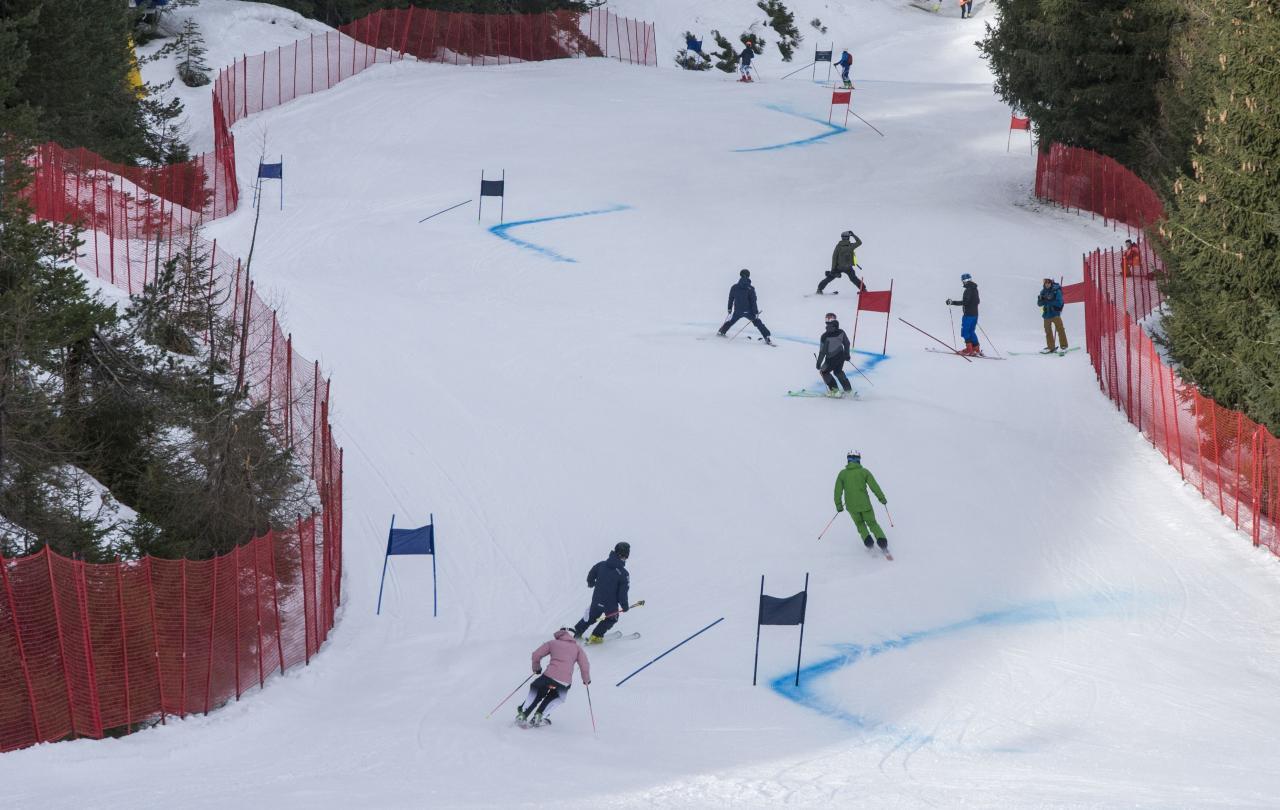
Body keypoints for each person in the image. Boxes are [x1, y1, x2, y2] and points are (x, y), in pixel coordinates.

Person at [517, 628, 591, 728]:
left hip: (548, 677)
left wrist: (536, 668)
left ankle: (523, 714)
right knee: (557, 696)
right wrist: (586, 680)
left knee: (537, 692)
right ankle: (540, 715)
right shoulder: (577, 649)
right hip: (564, 682)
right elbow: (584, 665)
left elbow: (536, 655)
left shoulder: (552, 643)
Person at [572, 542, 631, 643]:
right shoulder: (624, 574)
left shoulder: (601, 565)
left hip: (597, 599)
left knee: (591, 616)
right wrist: (624, 605)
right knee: (612, 618)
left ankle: (577, 632)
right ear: (624, 556)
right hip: (610, 604)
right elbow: (622, 593)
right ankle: (596, 636)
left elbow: (591, 573)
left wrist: (591, 582)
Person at [834, 450, 889, 551]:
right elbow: (874, 486)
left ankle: (868, 542)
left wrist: (839, 505)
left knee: (860, 524)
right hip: (865, 505)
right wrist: (882, 498)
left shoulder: (842, 474)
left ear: (848, 460)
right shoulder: (864, 472)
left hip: (851, 507)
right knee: (872, 523)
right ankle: (882, 542)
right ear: (858, 459)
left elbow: (837, 491)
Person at [717, 269, 772, 344]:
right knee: (757, 322)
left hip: (737, 311)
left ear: (740, 275)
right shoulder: (751, 288)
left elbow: (731, 298)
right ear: (749, 276)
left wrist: (729, 308)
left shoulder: (734, 287)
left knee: (731, 321)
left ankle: (721, 332)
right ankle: (766, 337)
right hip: (748, 312)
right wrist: (756, 312)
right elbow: (753, 301)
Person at [816, 313, 853, 398]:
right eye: (827, 319)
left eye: (829, 319)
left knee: (824, 372)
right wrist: (847, 354)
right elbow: (847, 343)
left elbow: (822, 352)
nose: (828, 321)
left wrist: (818, 363)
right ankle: (848, 390)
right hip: (841, 356)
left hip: (830, 359)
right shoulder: (841, 332)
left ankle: (835, 391)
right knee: (838, 372)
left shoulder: (824, 336)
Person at [946, 272, 982, 355]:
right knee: (971, 331)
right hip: (975, 315)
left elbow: (965, 302)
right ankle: (976, 349)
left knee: (965, 331)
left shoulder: (968, 290)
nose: (962, 282)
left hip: (968, 315)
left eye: (962, 280)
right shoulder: (974, 289)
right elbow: (977, 301)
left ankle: (969, 350)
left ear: (964, 281)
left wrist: (952, 302)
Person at [1037, 278, 1068, 353]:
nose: (1047, 284)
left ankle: (1063, 346)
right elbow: (1039, 304)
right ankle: (1051, 347)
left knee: (1060, 329)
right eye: (1046, 283)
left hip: (1055, 314)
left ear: (1051, 283)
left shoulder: (1056, 291)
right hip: (1046, 314)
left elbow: (1060, 302)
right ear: (1044, 284)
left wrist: (1049, 300)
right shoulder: (1043, 292)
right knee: (1048, 331)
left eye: (1048, 283)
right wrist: (1040, 299)